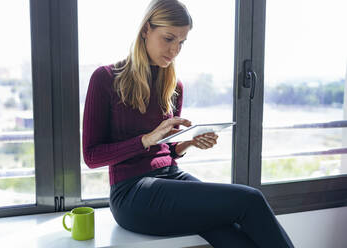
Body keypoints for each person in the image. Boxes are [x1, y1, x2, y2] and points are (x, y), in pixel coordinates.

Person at [82, 0, 294, 247]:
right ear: (146, 30)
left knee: (228, 230)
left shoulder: (173, 87)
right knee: (250, 199)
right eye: (168, 38)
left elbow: (165, 151)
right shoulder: (106, 79)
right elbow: (91, 156)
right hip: (131, 193)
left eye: (181, 42)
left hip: (171, 177)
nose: (174, 50)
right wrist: (146, 139)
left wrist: (188, 143)